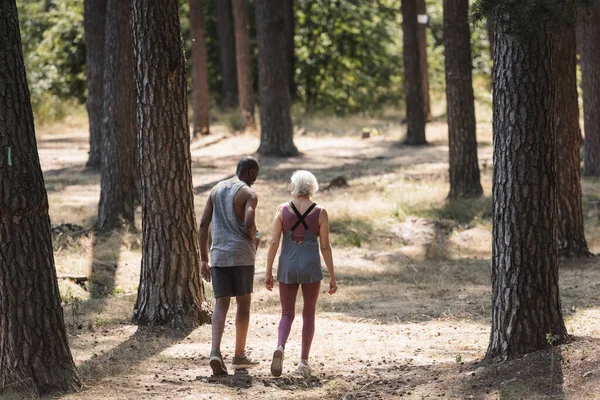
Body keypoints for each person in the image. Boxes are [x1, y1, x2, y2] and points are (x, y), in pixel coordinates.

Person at [265, 170, 338, 378]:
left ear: (294, 186)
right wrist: (332, 276)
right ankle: (303, 362)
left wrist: (269, 270)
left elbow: (273, 242)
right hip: (311, 267)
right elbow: (325, 246)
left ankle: (280, 346)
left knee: (287, 313)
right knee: (309, 313)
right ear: (312, 187)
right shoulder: (321, 212)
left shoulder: (282, 209)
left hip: (287, 265)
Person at [199, 155, 261, 376]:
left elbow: (203, 224)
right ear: (251, 173)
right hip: (242, 256)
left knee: (220, 304)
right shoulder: (249, 193)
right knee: (243, 304)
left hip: (219, 256)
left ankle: (215, 351)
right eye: (256, 175)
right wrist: (256, 238)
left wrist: (203, 258)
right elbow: (249, 222)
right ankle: (239, 355)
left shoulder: (216, 190)